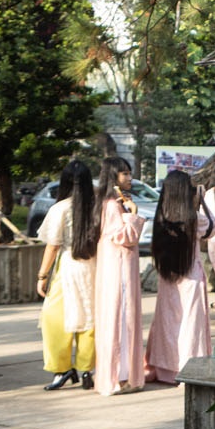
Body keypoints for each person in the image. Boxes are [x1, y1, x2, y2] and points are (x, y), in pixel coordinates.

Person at [145, 169, 212, 386]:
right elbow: (213, 228)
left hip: (167, 277)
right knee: (191, 324)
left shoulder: (160, 219)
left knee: (167, 322)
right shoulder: (194, 218)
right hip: (190, 277)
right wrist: (201, 201)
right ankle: (189, 367)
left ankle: (166, 367)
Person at [35, 161, 98, 392]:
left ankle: (61, 369)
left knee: (54, 319)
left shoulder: (60, 208)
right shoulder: (98, 207)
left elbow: (52, 246)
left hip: (69, 266)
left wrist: (42, 275)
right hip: (94, 267)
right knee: (89, 318)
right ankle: (85, 368)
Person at [91, 156, 147, 396]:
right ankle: (119, 377)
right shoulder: (113, 205)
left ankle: (120, 375)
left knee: (119, 320)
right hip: (119, 268)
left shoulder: (111, 202)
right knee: (121, 320)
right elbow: (125, 237)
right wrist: (133, 214)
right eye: (124, 173)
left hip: (116, 267)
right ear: (112, 176)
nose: (129, 177)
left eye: (129, 173)